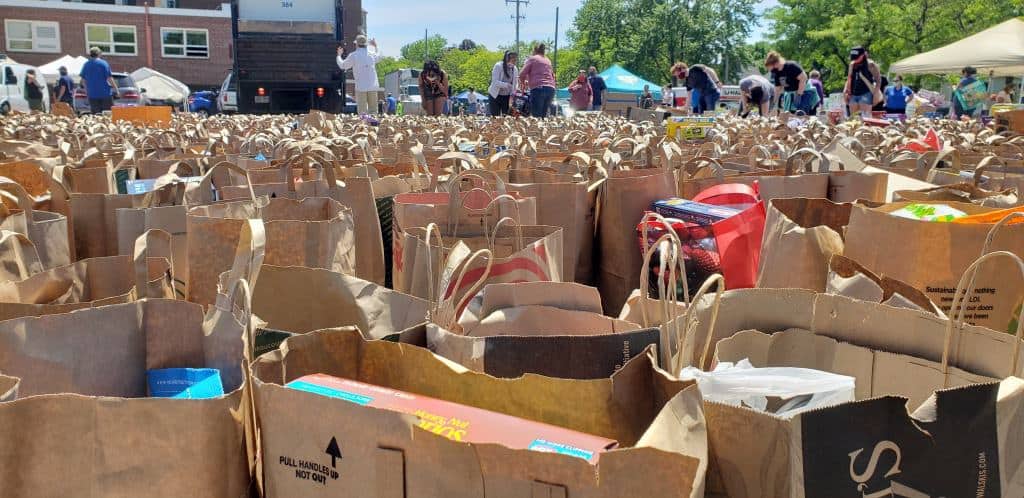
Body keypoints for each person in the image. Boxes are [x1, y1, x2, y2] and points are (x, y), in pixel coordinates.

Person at [336, 35, 382, 115]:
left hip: (361, 87)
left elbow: (343, 65)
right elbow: (380, 56)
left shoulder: (354, 55)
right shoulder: (372, 55)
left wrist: (339, 55)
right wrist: (375, 46)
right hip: (373, 86)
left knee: (362, 112)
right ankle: (373, 126)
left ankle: (364, 126)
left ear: (356, 44)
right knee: (373, 111)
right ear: (366, 44)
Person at [764, 51, 816, 115]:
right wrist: (773, 103)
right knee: (789, 116)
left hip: (804, 92)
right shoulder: (777, 73)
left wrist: (799, 94)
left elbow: (803, 78)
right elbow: (777, 90)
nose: (772, 70)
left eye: (772, 67)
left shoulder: (791, 66)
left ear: (776, 63)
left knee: (801, 115)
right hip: (790, 94)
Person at [519, 43, 557, 118]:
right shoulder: (547, 60)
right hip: (551, 89)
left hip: (539, 89)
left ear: (535, 50)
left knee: (536, 117)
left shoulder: (533, 59)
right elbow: (552, 75)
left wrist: (523, 86)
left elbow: (522, 74)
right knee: (544, 116)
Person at [843, 46, 881, 119]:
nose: (855, 60)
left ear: (863, 55)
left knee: (865, 118)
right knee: (853, 118)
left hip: (866, 93)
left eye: (857, 57)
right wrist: (845, 91)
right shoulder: (852, 64)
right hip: (853, 94)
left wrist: (876, 94)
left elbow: (878, 80)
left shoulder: (870, 64)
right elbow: (849, 78)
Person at [79, 46, 118, 114]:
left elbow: (83, 81)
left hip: (92, 95)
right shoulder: (104, 64)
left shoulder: (86, 65)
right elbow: (109, 78)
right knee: (108, 115)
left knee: (96, 116)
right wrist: (116, 90)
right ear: (99, 54)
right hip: (105, 94)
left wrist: (87, 93)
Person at [488, 51, 519, 116]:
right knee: (495, 117)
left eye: (515, 59)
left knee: (507, 117)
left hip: (507, 97)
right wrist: (506, 85)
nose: (514, 61)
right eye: (512, 58)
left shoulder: (515, 69)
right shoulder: (498, 66)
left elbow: (515, 82)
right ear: (507, 58)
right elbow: (494, 82)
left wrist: (515, 90)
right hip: (495, 96)